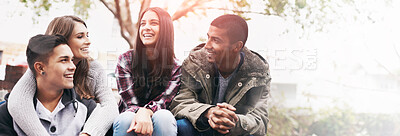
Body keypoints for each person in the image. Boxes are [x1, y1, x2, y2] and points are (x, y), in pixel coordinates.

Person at [7, 16, 118, 136]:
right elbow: (17, 102)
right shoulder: (41, 67)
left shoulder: (94, 70)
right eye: (80, 36)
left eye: (87, 35)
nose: (88, 41)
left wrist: (88, 133)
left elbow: (110, 106)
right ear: (62, 40)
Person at [170, 14, 271, 136]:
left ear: (237, 46)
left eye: (216, 40)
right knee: (181, 126)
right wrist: (209, 112)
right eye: (208, 37)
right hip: (201, 127)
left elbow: (260, 120)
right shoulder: (195, 62)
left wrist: (233, 120)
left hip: (232, 132)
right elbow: (180, 102)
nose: (207, 45)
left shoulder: (258, 72)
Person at [0, 34, 97, 135]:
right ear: (40, 68)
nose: (73, 67)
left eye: (71, 60)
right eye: (64, 60)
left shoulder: (86, 107)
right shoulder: (7, 114)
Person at [113, 7, 180, 136]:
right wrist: (142, 113)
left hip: (159, 117)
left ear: (166, 29)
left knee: (164, 117)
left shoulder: (176, 67)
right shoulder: (125, 60)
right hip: (130, 117)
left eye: (153, 23)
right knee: (126, 119)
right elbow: (130, 103)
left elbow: (165, 101)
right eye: (142, 24)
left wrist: (147, 111)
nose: (146, 27)